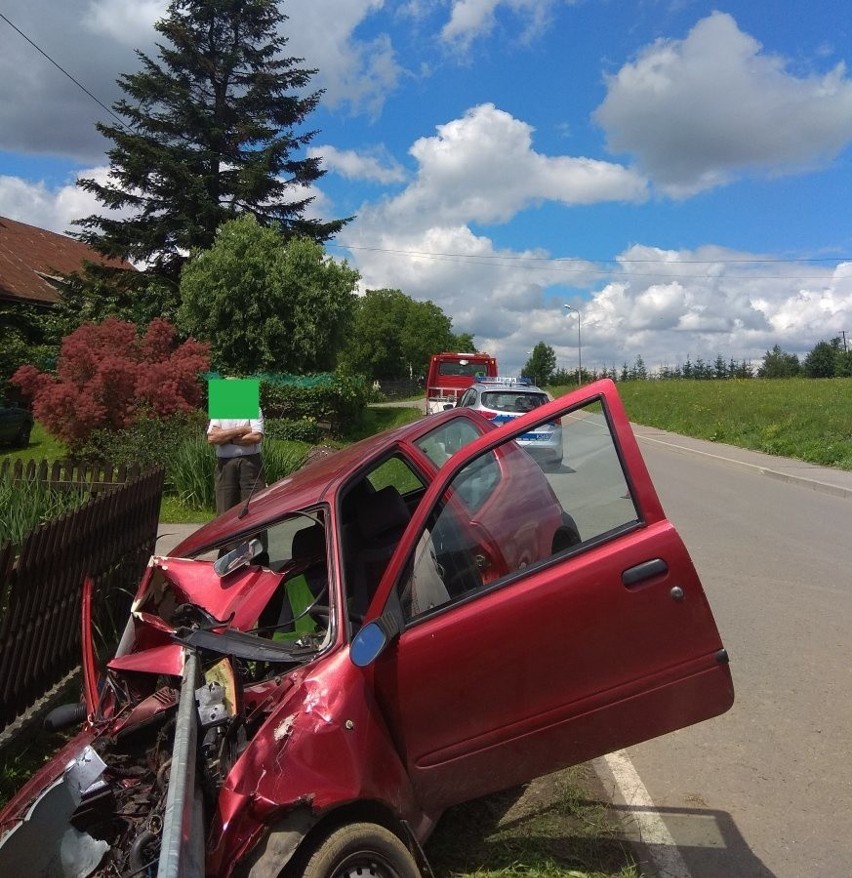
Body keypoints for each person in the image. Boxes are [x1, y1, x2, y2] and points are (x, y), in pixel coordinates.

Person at [207, 410, 265, 515]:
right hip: (225, 465)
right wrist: (241, 430)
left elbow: (256, 437)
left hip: (250, 464)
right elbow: (213, 438)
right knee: (225, 511)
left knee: (254, 508)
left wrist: (226, 438)